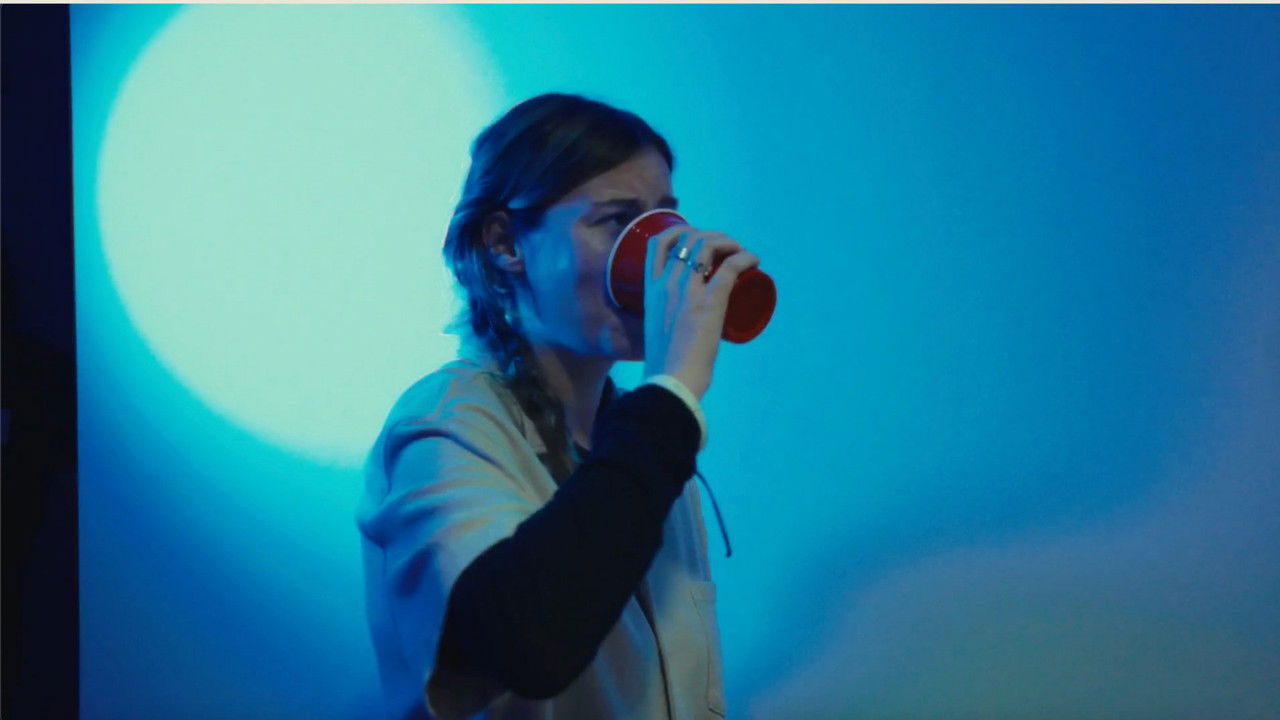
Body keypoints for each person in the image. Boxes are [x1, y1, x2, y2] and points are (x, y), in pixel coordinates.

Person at [356, 92, 760, 720]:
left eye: (665, 219)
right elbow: (526, 643)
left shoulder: (639, 436)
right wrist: (673, 390)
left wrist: (663, 410)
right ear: (505, 243)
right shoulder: (446, 421)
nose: (658, 253)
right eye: (617, 221)